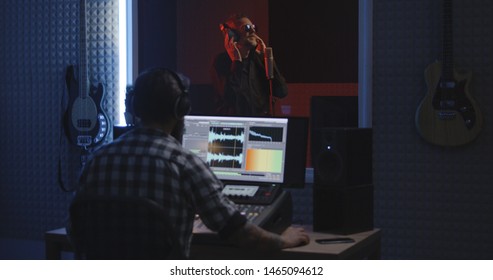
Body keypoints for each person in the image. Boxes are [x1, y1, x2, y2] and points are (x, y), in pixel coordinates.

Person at [72, 67, 309, 259]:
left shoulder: (96, 160)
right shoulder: (184, 165)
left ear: (135, 107)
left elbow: (75, 232)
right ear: (180, 109)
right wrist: (283, 241)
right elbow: (239, 233)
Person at [211, 13, 288, 116]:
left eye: (253, 27)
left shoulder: (258, 59)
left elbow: (281, 91)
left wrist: (267, 58)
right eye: (246, 28)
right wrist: (236, 62)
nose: (253, 31)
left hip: (259, 125)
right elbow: (230, 97)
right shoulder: (221, 62)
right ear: (232, 35)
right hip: (235, 126)